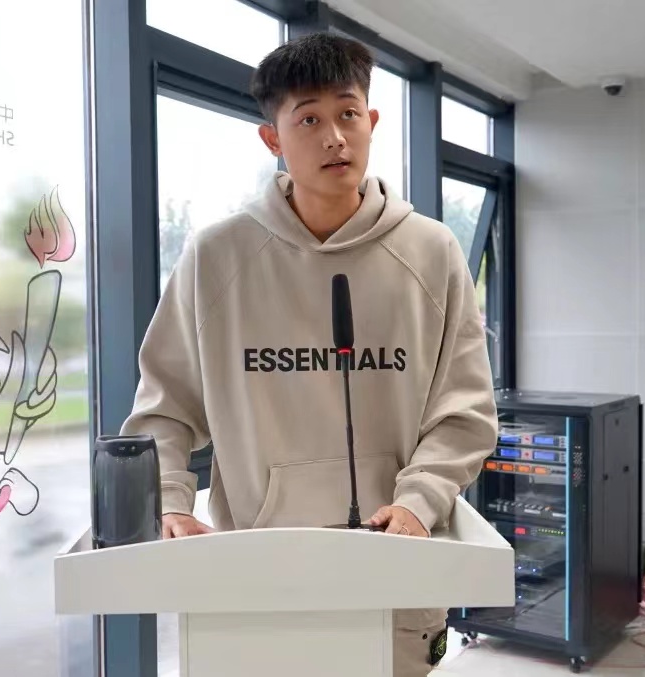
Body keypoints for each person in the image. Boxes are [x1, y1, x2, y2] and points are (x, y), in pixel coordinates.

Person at [121, 31, 498, 677]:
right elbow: (163, 408)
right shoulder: (216, 257)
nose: (334, 138)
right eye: (309, 120)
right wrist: (172, 499)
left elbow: (464, 411)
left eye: (348, 114)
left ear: (371, 121)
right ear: (272, 137)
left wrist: (419, 498)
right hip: (254, 571)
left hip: (393, 565)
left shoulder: (432, 252)